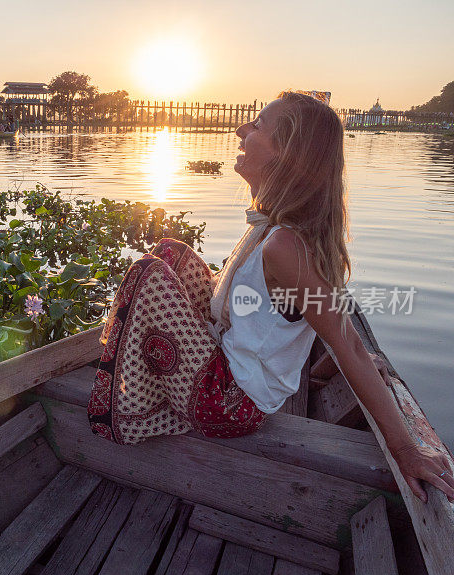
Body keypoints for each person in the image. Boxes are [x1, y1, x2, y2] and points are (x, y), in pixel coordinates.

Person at [88, 90, 454, 504]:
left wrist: (405, 450)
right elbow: (283, 314)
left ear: (286, 157)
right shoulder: (274, 229)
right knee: (172, 253)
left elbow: (346, 339)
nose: (242, 130)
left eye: (258, 126)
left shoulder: (284, 245)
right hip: (231, 372)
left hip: (231, 403)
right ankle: (148, 387)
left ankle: (132, 411)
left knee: (148, 276)